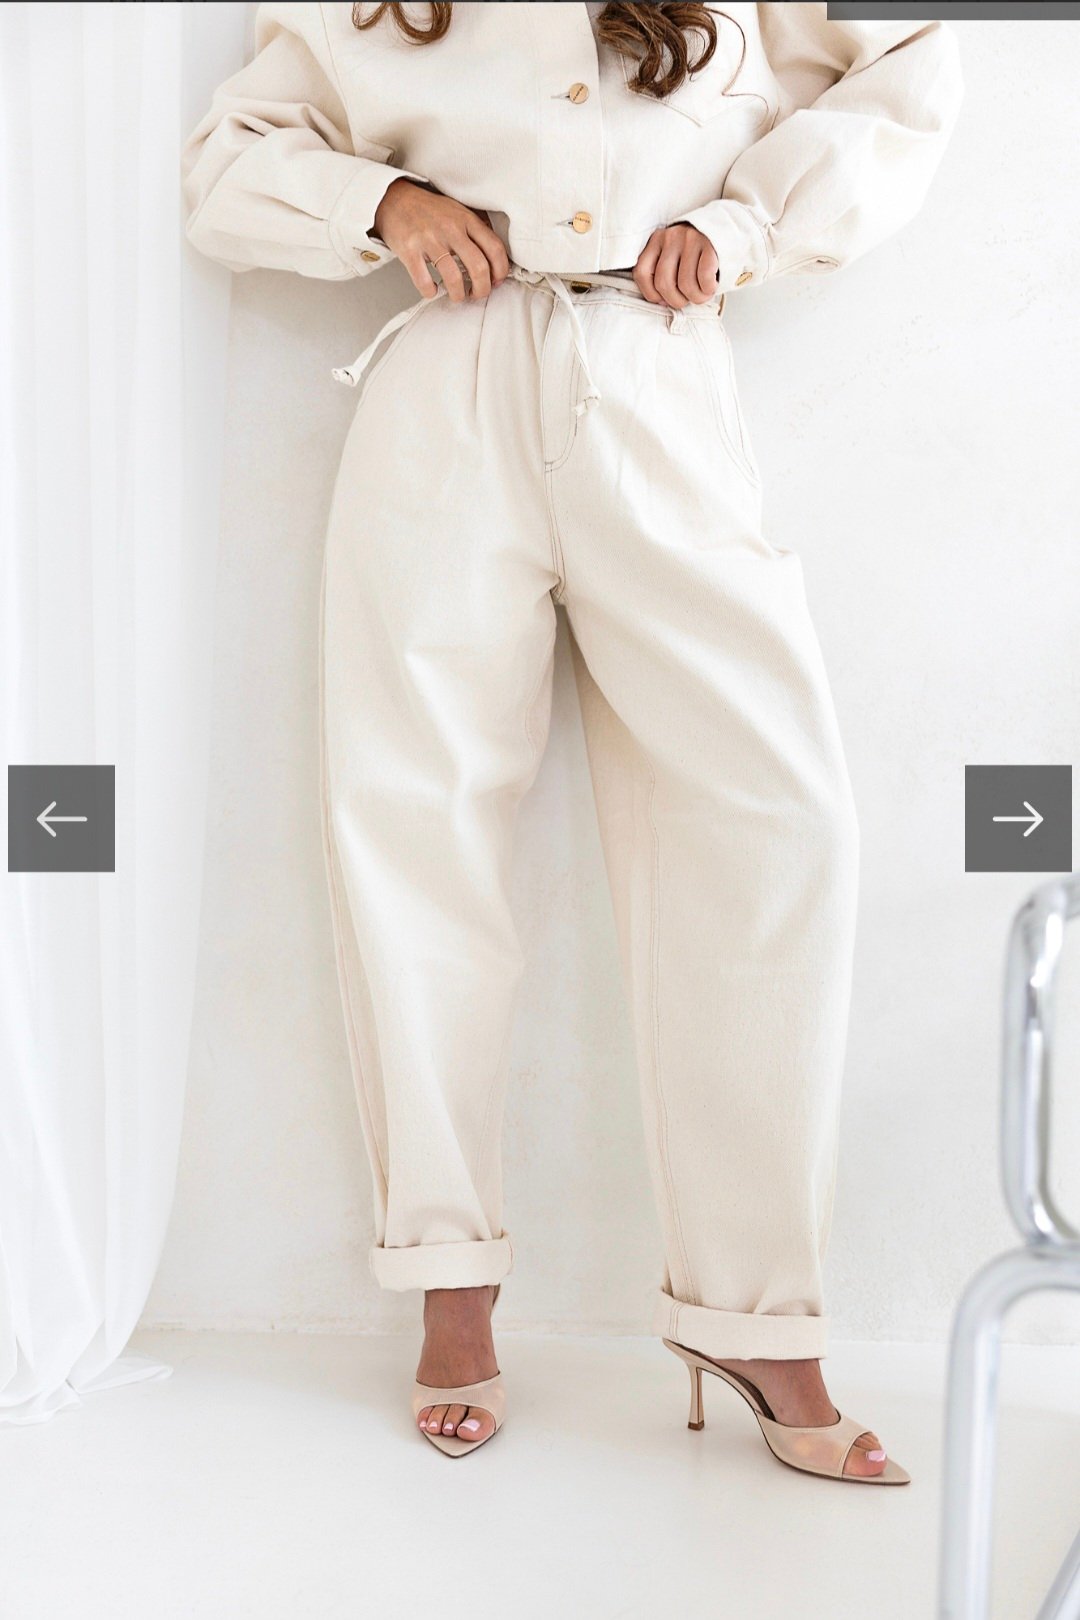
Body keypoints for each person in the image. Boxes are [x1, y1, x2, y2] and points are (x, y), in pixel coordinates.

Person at [182, 1, 963, 1478]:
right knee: (415, 827)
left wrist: (742, 224)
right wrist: (381, 202)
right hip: (444, 381)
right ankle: (451, 1282)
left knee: (777, 822)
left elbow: (912, 66)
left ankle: (754, 1315)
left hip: (656, 374)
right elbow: (227, 163)